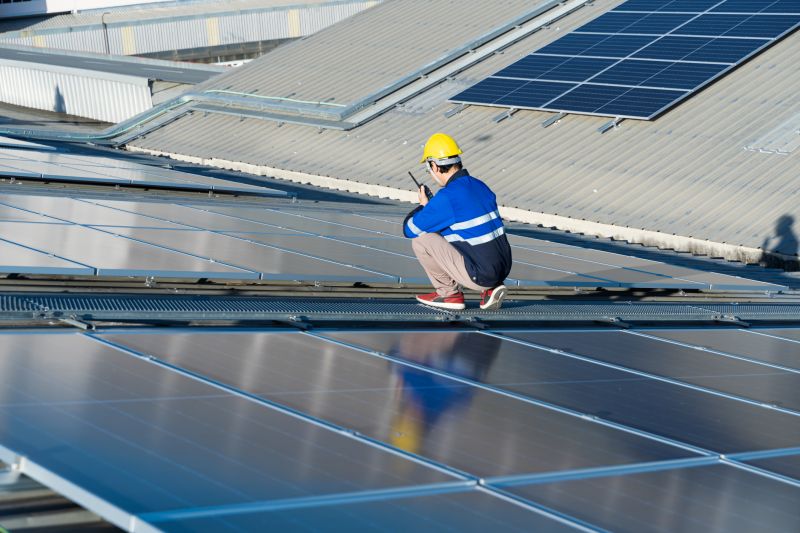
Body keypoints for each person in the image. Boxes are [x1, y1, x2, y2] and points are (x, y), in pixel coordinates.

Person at [403, 133, 512, 310]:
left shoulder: (448, 197)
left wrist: (424, 207)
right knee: (458, 233)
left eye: (428, 169)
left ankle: (450, 295)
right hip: (502, 268)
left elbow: (410, 229)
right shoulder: (479, 185)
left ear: (434, 166)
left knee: (421, 239)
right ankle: (490, 289)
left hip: (481, 275)